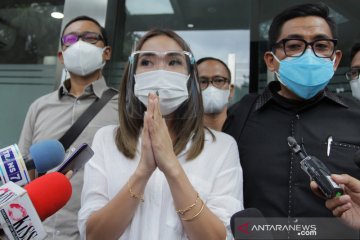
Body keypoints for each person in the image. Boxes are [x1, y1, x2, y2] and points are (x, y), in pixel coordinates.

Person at [78, 29, 243, 240]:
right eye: (147, 62)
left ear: (189, 76)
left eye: (174, 62)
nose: (161, 70)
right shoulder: (106, 139)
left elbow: (221, 237)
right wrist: (143, 172)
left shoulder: (222, 146)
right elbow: (93, 235)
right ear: (133, 75)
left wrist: (172, 169)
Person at [223, 1, 360, 231]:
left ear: (335, 60)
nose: (309, 55)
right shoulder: (240, 116)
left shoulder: (357, 117)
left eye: (321, 45)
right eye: (294, 46)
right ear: (270, 60)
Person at [18, 16, 118, 240]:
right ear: (61, 56)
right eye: (71, 39)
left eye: (90, 38)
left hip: (95, 234)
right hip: (37, 233)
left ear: (107, 52)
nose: (80, 44)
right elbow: (24, 171)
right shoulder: (39, 107)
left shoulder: (124, 109)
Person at [196, 57, 234, 131]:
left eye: (219, 80)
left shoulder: (246, 131)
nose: (211, 87)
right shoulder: (180, 135)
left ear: (231, 91)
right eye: (202, 82)